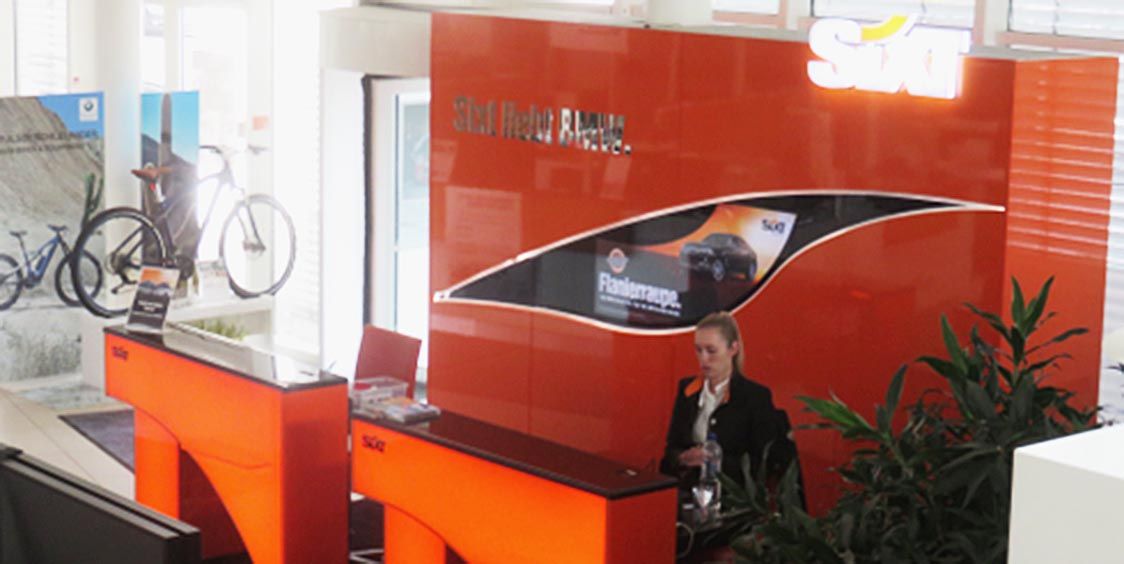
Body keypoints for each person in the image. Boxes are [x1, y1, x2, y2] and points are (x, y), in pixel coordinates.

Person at [660, 311, 792, 490]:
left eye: (711, 351)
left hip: (734, 498)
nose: (703, 358)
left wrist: (716, 462)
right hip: (690, 493)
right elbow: (670, 453)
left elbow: (763, 465)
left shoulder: (755, 396)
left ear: (733, 349)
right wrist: (683, 458)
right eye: (698, 350)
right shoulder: (688, 389)